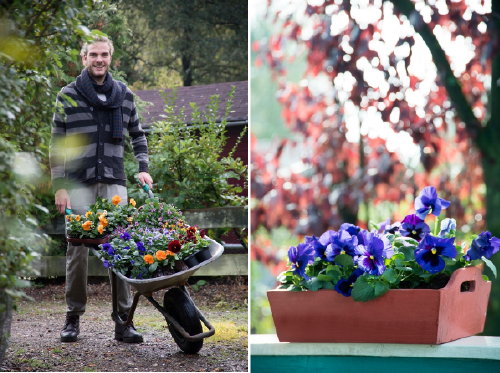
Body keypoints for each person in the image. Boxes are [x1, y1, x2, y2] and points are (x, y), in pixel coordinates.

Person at [49, 35, 153, 343]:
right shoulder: (67, 94)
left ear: (111, 58)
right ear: (84, 58)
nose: (99, 59)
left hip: (114, 183)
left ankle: (124, 321)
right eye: (93, 54)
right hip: (77, 185)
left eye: (104, 54)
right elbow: (57, 143)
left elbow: (138, 135)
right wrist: (60, 186)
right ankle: (72, 318)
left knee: (119, 249)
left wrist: (144, 168)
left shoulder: (124, 95)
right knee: (77, 250)